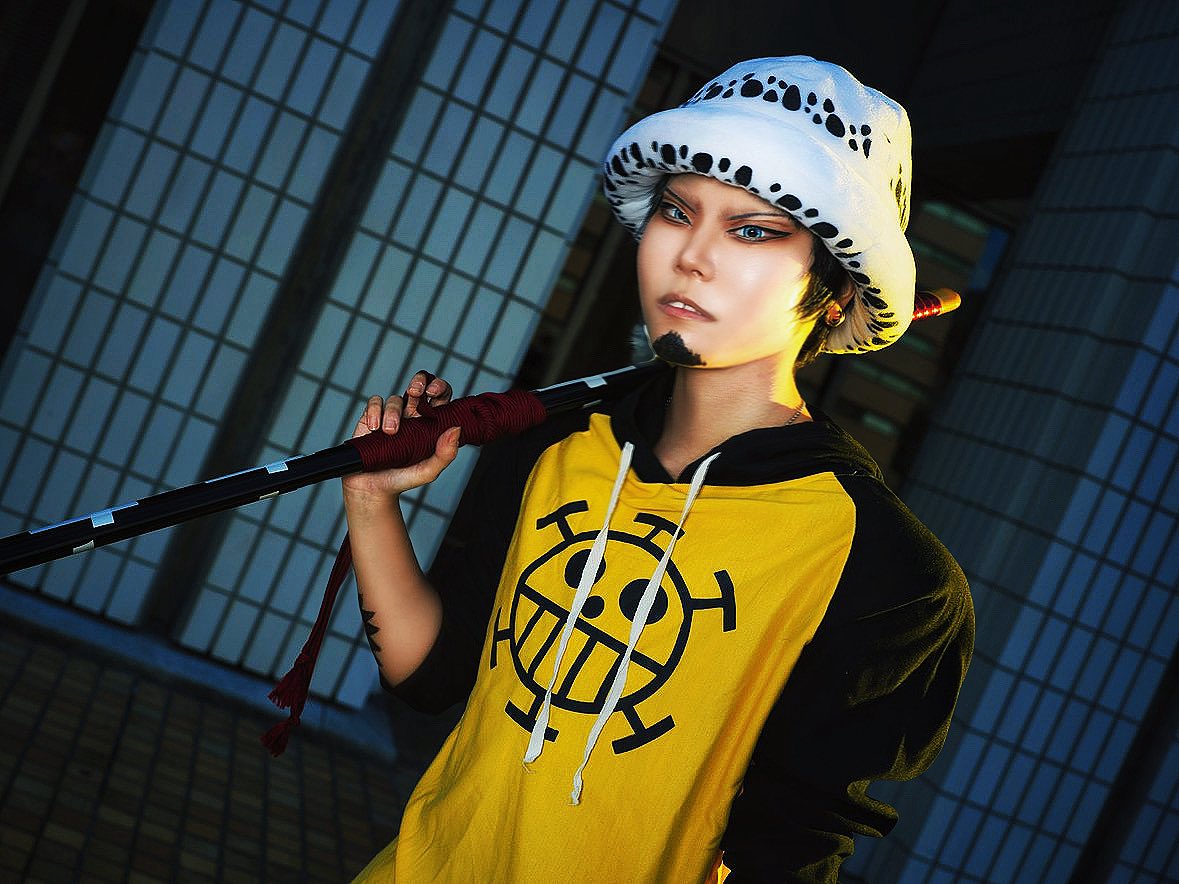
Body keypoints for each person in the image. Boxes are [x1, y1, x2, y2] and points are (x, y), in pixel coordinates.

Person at [346, 56, 974, 883]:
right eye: (677, 213)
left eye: (752, 230)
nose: (691, 256)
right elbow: (430, 675)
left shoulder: (885, 572)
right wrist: (372, 501)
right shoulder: (558, 448)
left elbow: (790, 850)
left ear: (832, 291)